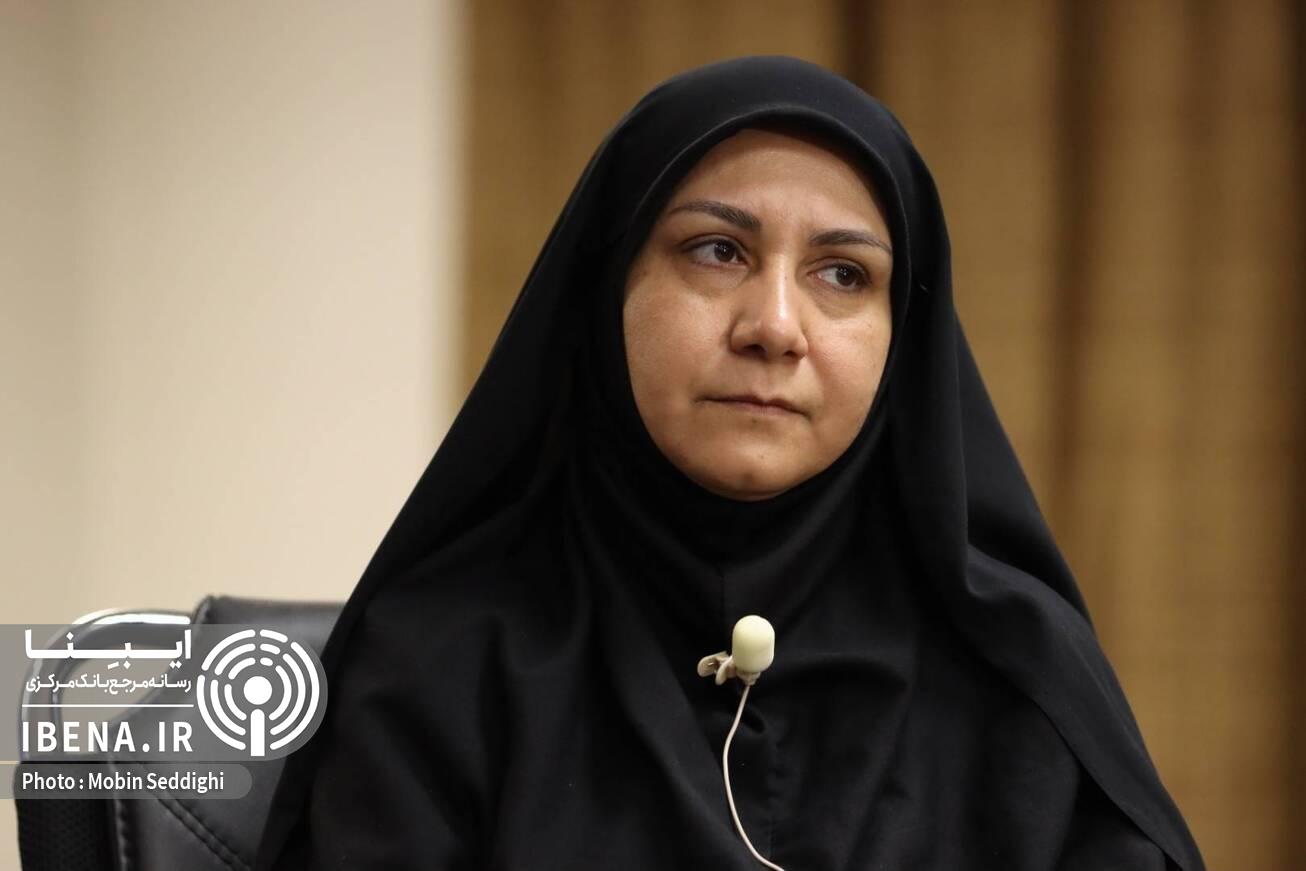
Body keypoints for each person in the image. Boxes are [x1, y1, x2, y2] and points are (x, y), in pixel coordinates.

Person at [256, 56, 1203, 870]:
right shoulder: (439, 660)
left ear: (903, 338)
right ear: (608, 287)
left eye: (843, 274)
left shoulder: (1019, 678)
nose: (775, 327)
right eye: (717, 251)